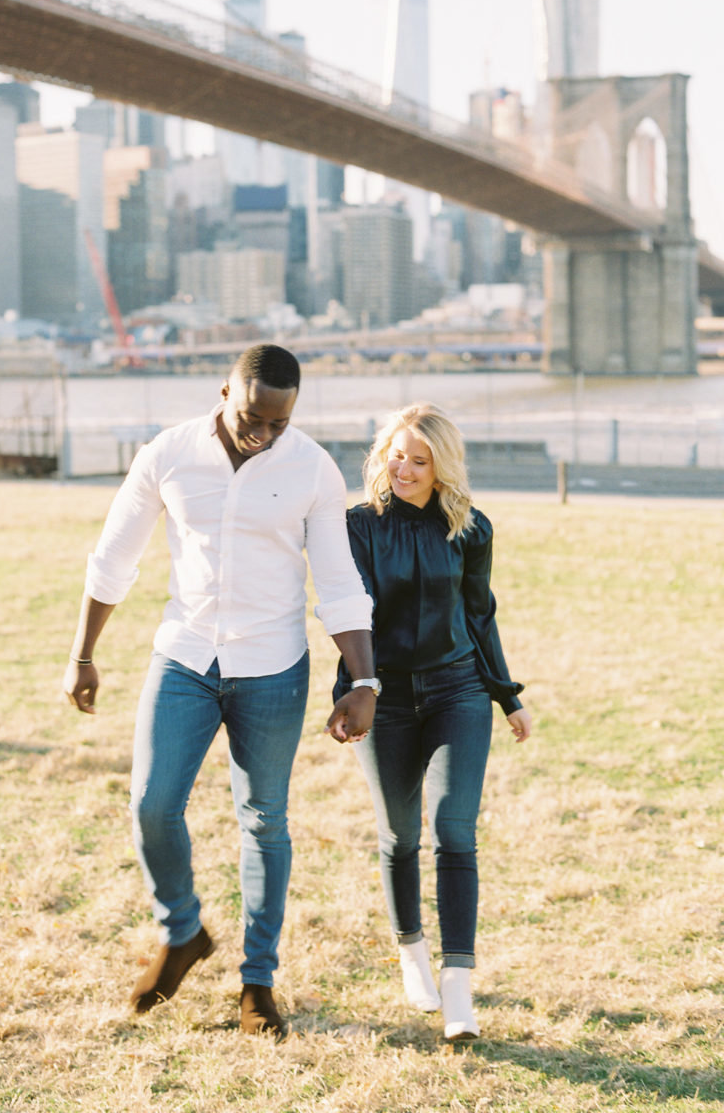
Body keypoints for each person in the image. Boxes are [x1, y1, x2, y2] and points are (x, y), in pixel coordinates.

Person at [64, 344, 377, 1037]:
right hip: (184, 657)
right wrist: (83, 652)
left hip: (273, 667)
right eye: (250, 418)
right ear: (224, 392)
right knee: (151, 805)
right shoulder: (168, 453)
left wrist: (363, 679)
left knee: (264, 821)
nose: (261, 434)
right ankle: (183, 932)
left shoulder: (313, 470)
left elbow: (338, 579)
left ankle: (257, 985)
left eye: (277, 424)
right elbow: (115, 554)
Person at [330, 403, 531, 1041]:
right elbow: (349, 613)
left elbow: (480, 617)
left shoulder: (470, 530)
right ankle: (411, 951)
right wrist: (351, 691)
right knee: (399, 835)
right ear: (380, 454)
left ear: (443, 467)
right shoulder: (356, 527)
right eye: (397, 455)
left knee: (454, 832)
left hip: (457, 691)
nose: (406, 469)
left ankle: (458, 986)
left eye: (421, 460)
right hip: (383, 699)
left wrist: (507, 694)